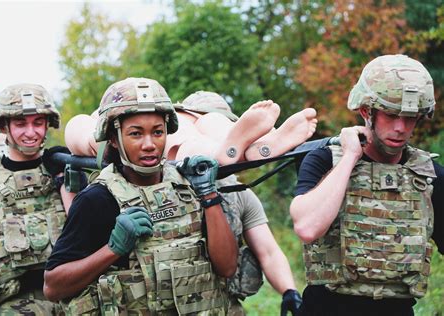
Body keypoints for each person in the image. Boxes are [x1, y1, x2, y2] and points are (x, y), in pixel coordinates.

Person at [44, 77, 238, 315]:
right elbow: (53, 287)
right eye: (136, 134)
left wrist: (209, 195)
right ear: (114, 139)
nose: (149, 144)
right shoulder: (97, 199)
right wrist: (113, 249)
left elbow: (227, 267)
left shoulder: (188, 183)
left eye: (157, 132)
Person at [290, 54, 443, 316]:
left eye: (410, 118)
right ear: (366, 111)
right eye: (391, 115)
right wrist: (350, 157)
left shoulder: (428, 175)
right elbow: (307, 227)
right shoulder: (326, 159)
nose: (400, 128)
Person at [174, 92, 303, 315]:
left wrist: (289, 291)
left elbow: (268, 251)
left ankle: (257, 145)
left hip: (221, 307)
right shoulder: (162, 188)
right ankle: (251, 146)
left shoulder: (238, 194)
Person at [0, 83, 75, 314]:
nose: (31, 132)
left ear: (48, 124)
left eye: (38, 123)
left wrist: (68, 181)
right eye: (20, 124)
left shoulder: (65, 170)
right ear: (4, 126)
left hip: (74, 299)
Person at [64, 91, 317, 166]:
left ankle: (238, 146)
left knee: (79, 127)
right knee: (211, 125)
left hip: (119, 121)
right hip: (201, 118)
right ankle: (259, 143)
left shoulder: (177, 115)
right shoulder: (199, 116)